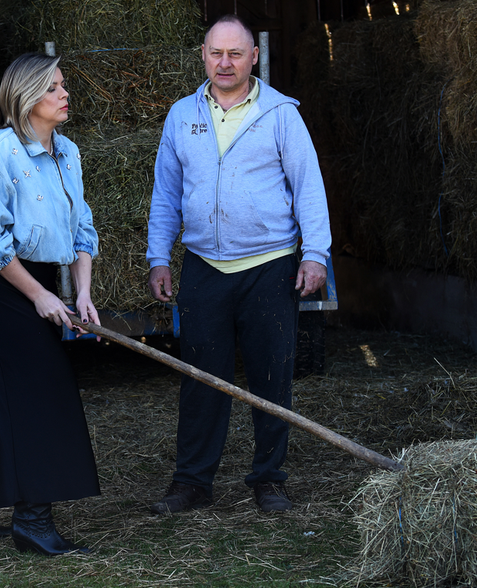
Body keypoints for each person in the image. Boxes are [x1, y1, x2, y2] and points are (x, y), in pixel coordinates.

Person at [146, 14, 331, 514]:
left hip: (269, 265)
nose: (224, 63)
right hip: (204, 264)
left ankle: (269, 480)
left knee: (272, 374)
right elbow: (165, 193)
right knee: (202, 376)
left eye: (235, 54)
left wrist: (315, 254)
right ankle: (192, 483)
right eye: (215, 53)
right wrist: (158, 256)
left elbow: (308, 187)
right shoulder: (182, 115)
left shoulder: (280, 114)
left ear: (254, 57)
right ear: (202, 56)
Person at [0, 52, 100, 555]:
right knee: (39, 395)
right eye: (54, 88)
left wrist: (83, 294)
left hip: (43, 281)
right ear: (27, 97)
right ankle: (32, 520)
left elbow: (81, 231)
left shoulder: (67, 153)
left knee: (9, 400)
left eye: (64, 86)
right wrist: (40, 296)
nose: (65, 94)